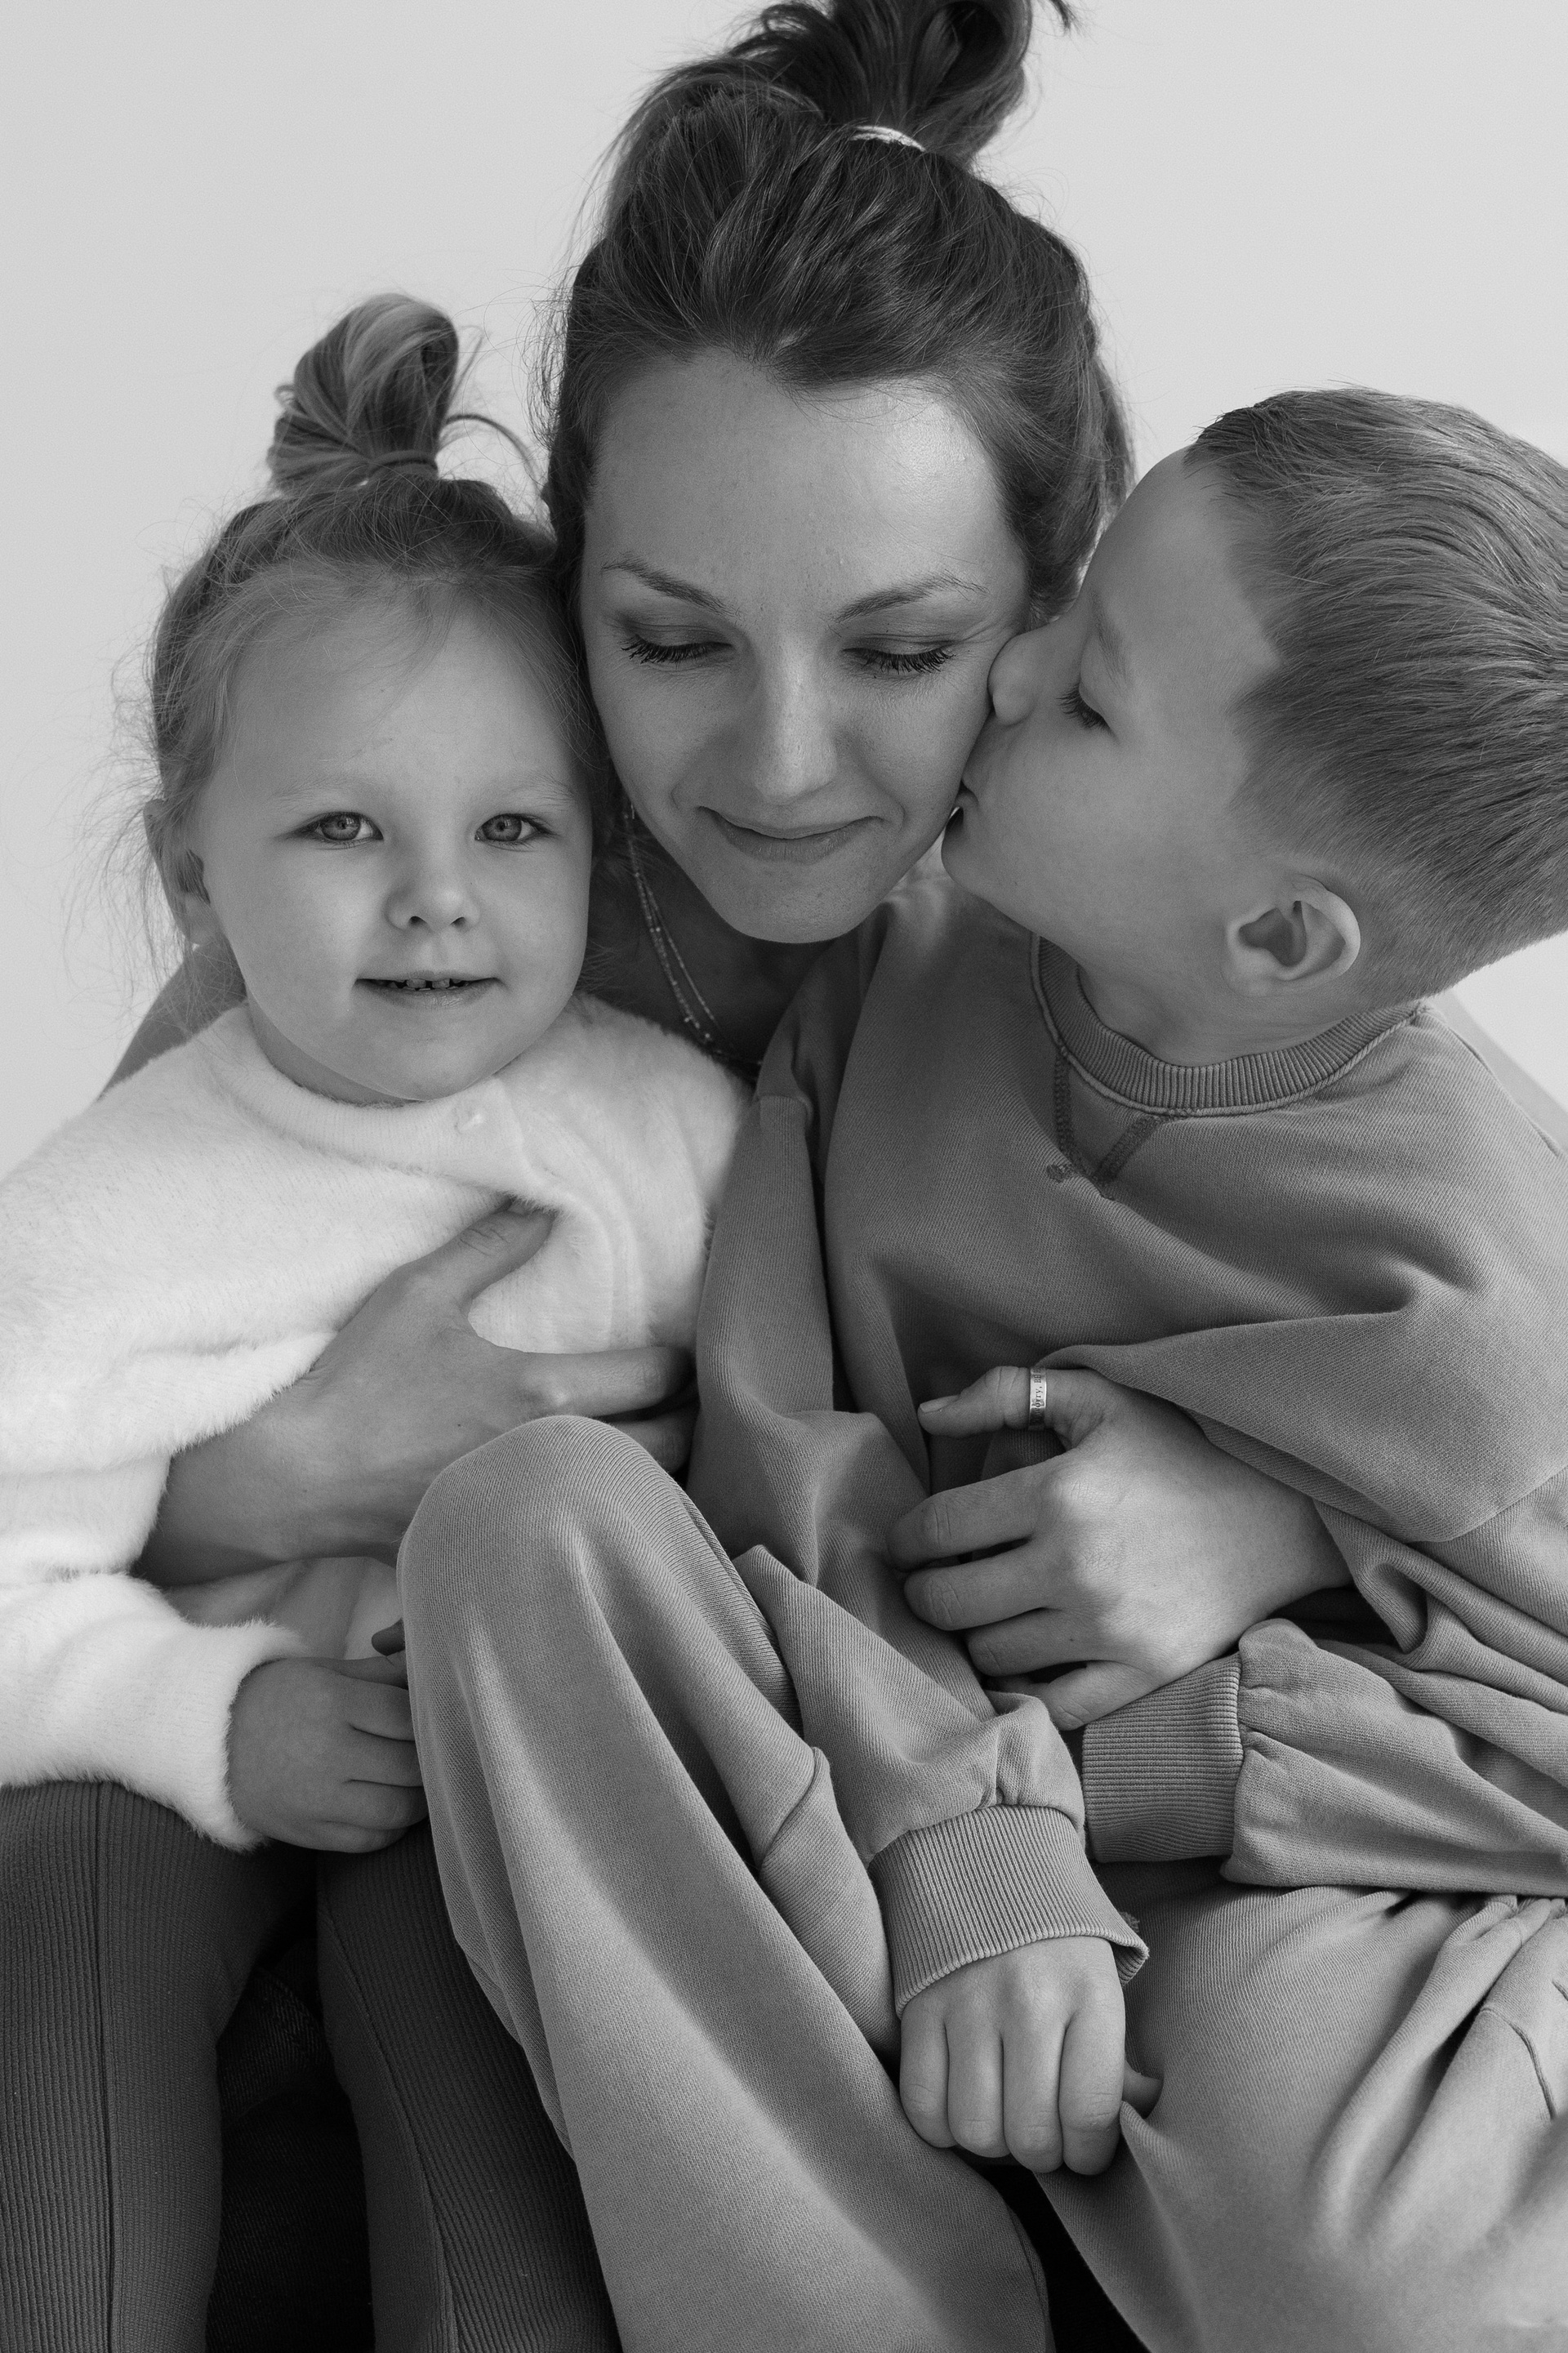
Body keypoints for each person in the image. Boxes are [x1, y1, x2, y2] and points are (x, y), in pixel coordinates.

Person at [0, 2, 1554, 2349]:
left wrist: (1289, 1508)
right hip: (448, 1758)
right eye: (668, 640)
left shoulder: (1117, 947)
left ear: (1041, 624)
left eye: (905, 646)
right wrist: (257, 1477)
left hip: (986, 1868)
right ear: (568, 590)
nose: (787, 760)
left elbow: (1473, 1379)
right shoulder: (414, 904)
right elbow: (90, 1336)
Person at [396, 386, 1568, 2353]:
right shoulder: (905, 965)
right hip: (877, 1767)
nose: (1012, 668)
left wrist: (1193, 1738)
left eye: (1091, 694)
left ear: (1282, 934)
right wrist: (979, 1842)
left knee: (1365, 2255)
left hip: (1279, 1901)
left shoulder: (1485, 1266)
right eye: (1071, 604)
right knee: (526, 1524)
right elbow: (793, 1444)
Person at [0, 294, 742, 2352]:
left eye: (512, 828)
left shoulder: (680, 1152)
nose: (435, 894)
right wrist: (207, 1714)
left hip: (499, 1786)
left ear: (600, 845)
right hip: (150, 1767)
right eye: (343, 828)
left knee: (483, 2045)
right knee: (61, 1931)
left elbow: (785, 1497)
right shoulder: (99, 1216)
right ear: (193, 874)